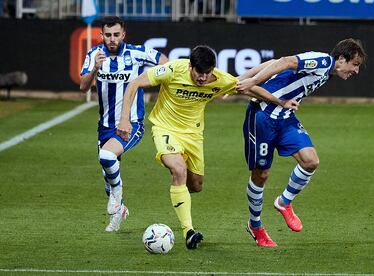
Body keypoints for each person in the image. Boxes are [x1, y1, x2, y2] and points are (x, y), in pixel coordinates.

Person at [116, 45, 298, 249]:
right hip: (165, 128)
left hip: (193, 135)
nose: (202, 78)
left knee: (196, 186)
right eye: (198, 73)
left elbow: (249, 88)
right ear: (190, 66)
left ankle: (179, 188)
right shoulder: (173, 70)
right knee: (178, 169)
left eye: (207, 73)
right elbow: (134, 84)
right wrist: (124, 119)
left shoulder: (220, 79)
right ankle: (189, 231)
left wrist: (280, 102)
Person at [236, 38, 366, 247]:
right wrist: (250, 81)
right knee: (261, 175)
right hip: (261, 116)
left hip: (285, 116)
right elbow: (286, 61)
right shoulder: (323, 61)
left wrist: (242, 78)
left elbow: (275, 61)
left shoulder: (327, 72)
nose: (356, 71)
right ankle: (256, 226)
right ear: (341, 59)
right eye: (355, 65)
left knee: (310, 161)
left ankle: (284, 202)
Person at [79, 16, 168, 233]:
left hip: (132, 124)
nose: (112, 39)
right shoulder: (94, 55)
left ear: (123, 35)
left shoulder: (136, 53)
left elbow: (164, 60)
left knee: (107, 158)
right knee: (108, 176)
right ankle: (120, 211)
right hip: (105, 125)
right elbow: (83, 87)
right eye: (108, 35)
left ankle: (118, 197)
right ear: (102, 36)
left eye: (116, 35)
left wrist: (153, 79)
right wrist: (94, 70)